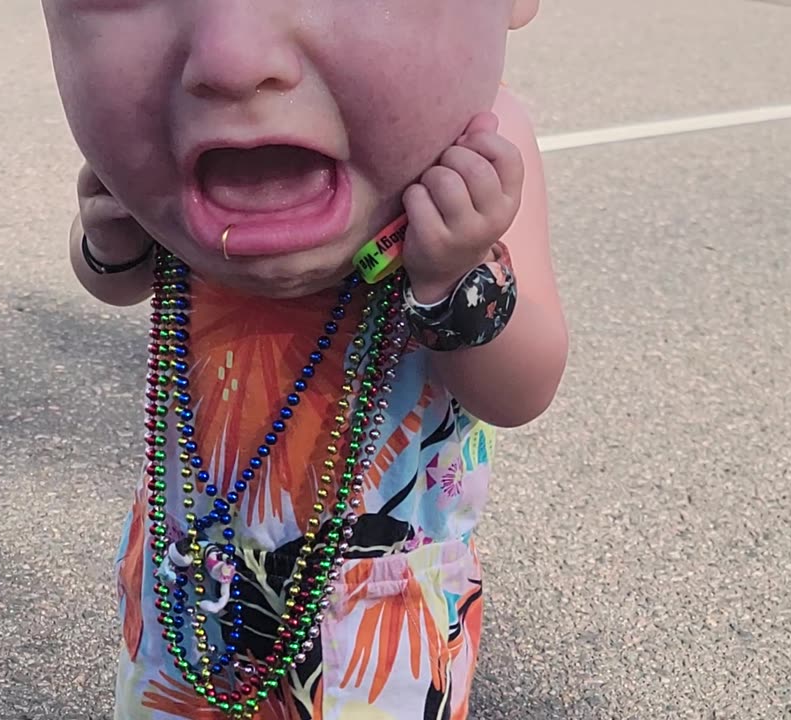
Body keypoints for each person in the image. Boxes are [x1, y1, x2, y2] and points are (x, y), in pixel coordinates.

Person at [40, 1, 568, 717]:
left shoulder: (479, 157)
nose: (235, 65)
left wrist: (453, 279)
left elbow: (522, 389)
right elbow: (121, 281)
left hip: (378, 623)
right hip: (190, 580)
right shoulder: (179, 156)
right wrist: (107, 244)